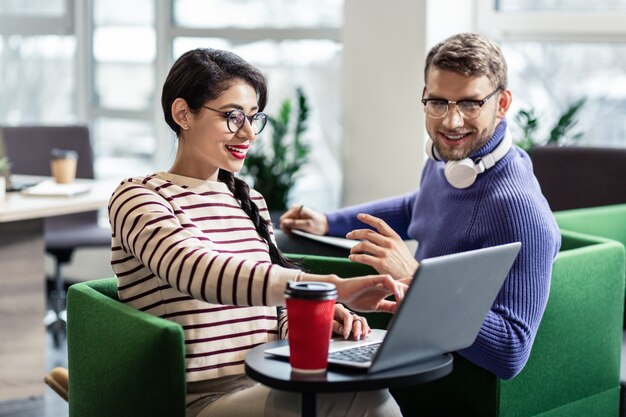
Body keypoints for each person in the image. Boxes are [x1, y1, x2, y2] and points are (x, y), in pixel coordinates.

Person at [108, 48, 405, 417]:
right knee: (366, 401)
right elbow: (200, 271)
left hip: (272, 379)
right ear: (183, 114)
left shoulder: (249, 200)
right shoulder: (138, 196)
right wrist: (330, 287)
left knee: (370, 391)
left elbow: (269, 308)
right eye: (232, 117)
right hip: (199, 400)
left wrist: (317, 317)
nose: (248, 133)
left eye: (252, 118)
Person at [281, 32, 561, 380]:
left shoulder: (521, 212)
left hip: (446, 372)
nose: (450, 122)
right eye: (438, 102)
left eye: (471, 104)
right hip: (407, 331)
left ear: (502, 104)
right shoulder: (451, 160)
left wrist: (415, 279)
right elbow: (420, 207)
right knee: (285, 243)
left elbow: (511, 352)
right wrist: (327, 221)